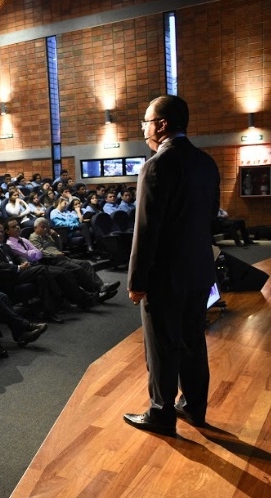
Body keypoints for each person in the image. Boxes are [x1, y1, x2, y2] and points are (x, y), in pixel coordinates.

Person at [124, 95, 220, 435]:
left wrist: (137, 280)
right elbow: (211, 220)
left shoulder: (157, 164)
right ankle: (194, 408)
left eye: (146, 122)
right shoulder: (206, 163)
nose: (144, 128)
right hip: (198, 270)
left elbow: (145, 231)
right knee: (193, 340)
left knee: (162, 345)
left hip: (165, 276)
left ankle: (161, 414)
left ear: (161, 125)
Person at [28, 218, 119, 299]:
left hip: (63, 258)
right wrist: (55, 255)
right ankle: (96, 292)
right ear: (35, 228)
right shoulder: (33, 238)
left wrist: (57, 236)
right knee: (78, 269)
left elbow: (59, 248)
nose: (45, 229)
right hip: (52, 261)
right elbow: (39, 252)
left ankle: (101, 286)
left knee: (85, 264)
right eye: (42, 227)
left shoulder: (48, 236)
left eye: (47, 227)